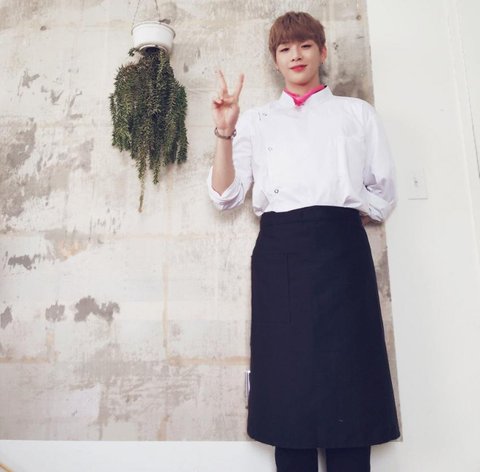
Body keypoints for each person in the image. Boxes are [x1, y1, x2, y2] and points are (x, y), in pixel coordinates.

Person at [206, 11, 400, 472]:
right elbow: (224, 196)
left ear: (322, 51)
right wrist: (225, 131)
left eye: (305, 45)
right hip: (282, 253)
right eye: (285, 48)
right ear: (275, 60)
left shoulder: (356, 113)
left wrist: (345, 211)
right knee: (287, 377)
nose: (296, 55)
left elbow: (383, 192)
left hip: (343, 250)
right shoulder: (255, 120)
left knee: (350, 374)